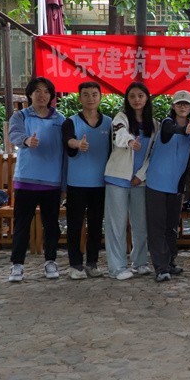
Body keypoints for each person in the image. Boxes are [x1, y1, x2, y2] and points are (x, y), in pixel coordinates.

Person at [7, 76, 66, 282]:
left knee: (52, 225)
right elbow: (14, 135)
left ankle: (51, 261)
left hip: (52, 182)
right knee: (22, 224)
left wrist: (64, 185)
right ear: (30, 94)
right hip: (26, 180)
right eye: (37, 91)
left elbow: (65, 153)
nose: (42, 95)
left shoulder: (60, 120)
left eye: (46, 91)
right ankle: (17, 265)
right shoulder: (20, 116)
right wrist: (26, 140)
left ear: (51, 95)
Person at [104, 81, 156, 280]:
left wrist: (140, 175)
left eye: (140, 96)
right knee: (116, 225)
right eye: (132, 96)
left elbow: (153, 154)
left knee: (141, 224)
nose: (136, 100)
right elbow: (119, 134)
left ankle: (139, 262)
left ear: (147, 98)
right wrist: (130, 141)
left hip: (139, 181)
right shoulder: (121, 118)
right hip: (117, 177)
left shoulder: (154, 124)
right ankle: (117, 268)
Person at [61, 81, 112, 280]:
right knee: (74, 225)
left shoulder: (109, 123)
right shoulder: (71, 122)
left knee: (96, 224)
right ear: (79, 97)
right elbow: (68, 139)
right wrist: (77, 144)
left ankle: (92, 263)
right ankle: (75, 264)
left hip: (100, 183)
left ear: (100, 97)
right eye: (86, 94)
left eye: (94, 94)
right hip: (77, 184)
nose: (90, 98)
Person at [145, 90, 190, 282]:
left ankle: (170, 261)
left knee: (172, 225)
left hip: (176, 185)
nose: (183, 107)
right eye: (179, 103)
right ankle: (160, 267)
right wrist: (183, 131)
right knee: (157, 226)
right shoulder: (167, 123)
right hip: (157, 182)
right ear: (173, 106)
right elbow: (171, 130)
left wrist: (182, 185)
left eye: (186, 104)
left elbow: (187, 157)